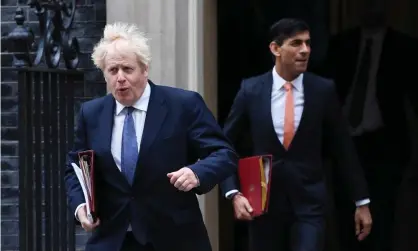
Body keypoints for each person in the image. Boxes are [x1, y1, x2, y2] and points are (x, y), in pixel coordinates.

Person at [64, 22, 238, 251]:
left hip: (173, 238)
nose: (120, 78)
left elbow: (224, 154)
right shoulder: (92, 113)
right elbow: (76, 166)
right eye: (112, 71)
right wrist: (80, 206)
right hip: (113, 239)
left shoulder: (183, 105)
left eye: (127, 69)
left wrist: (197, 172)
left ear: (145, 69)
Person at [219, 18, 372, 251]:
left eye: (308, 44)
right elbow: (224, 144)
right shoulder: (251, 90)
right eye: (296, 43)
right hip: (263, 206)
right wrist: (233, 193)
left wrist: (361, 202)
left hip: (309, 206)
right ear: (275, 49)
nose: (305, 50)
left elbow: (344, 148)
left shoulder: (323, 90)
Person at [322, 0, 418, 250]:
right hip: (346, 146)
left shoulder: (404, 47)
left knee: (382, 222)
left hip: (384, 147)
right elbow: (323, 97)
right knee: (346, 222)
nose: (372, 7)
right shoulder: (341, 44)